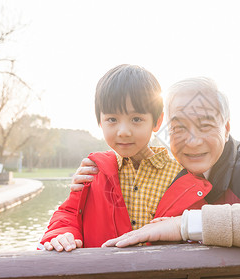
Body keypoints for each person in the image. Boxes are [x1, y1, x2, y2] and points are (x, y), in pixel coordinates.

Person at [72, 77, 240, 255]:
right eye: (179, 127)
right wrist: (87, 185)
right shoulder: (167, 173)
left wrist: (185, 225)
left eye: (205, 126)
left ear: (226, 129)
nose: (192, 141)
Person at [39, 64, 182, 251]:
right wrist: (63, 235)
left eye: (136, 119)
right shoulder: (93, 171)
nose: (123, 132)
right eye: (112, 119)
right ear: (99, 120)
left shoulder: (179, 175)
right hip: (104, 276)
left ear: (157, 122)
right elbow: (70, 213)